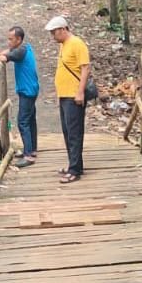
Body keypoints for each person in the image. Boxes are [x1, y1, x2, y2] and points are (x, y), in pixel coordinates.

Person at [45, 15, 90, 184]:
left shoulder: (77, 44)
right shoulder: (64, 45)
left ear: (63, 30)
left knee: (74, 133)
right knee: (67, 131)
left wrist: (80, 92)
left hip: (73, 96)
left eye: (54, 33)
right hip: (64, 95)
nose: (53, 37)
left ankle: (75, 170)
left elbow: (85, 68)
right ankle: (74, 164)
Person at [0, 25, 40, 167]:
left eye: (11, 39)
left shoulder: (20, 52)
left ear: (18, 39)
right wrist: (1, 52)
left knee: (22, 121)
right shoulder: (25, 47)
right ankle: (32, 148)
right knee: (30, 119)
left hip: (27, 91)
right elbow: (9, 51)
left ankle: (28, 155)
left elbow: (6, 57)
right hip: (31, 89)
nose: (8, 42)